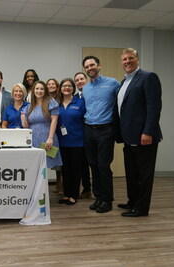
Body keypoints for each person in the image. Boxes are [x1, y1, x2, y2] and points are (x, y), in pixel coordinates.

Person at [115, 48, 162, 217]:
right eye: (124, 59)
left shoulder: (148, 77)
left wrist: (148, 131)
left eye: (131, 58)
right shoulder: (124, 82)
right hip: (129, 137)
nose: (127, 61)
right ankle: (132, 201)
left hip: (144, 137)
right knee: (132, 173)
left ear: (137, 60)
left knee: (143, 175)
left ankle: (141, 208)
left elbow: (153, 107)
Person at [82, 56, 120, 213]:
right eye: (87, 66)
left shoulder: (113, 83)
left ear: (99, 65)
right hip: (89, 129)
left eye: (92, 65)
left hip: (105, 129)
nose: (90, 68)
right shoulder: (85, 88)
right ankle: (98, 197)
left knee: (104, 165)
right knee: (93, 165)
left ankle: (107, 200)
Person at [57, 78, 86, 206]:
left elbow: (86, 120)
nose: (67, 88)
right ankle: (67, 194)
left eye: (69, 86)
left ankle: (74, 195)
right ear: (60, 89)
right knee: (65, 170)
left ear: (73, 88)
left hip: (77, 142)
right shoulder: (56, 103)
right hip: (62, 142)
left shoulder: (80, 102)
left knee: (75, 169)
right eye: (64, 86)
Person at [21, 81, 62, 169]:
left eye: (42, 89)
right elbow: (26, 126)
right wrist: (23, 120)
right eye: (37, 89)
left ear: (45, 91)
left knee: (47, 166)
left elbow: (54, 121)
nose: (39, 91)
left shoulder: (51, 102)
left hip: (47, 139)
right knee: (35, 167)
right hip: (33, 140)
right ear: (33, 91)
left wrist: (50, 138)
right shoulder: (29, 106)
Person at [74, 72, 92, 199]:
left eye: (81, 79)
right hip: (78, 134)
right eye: (77, 80)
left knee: (95, 163)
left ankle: (99, 191)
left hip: (92, 131)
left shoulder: (92, 93)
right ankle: (86, 189)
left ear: (86, 80)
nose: (79, 81)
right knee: (82, 163)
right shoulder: (74, 97)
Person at [46, 78, 63, 194]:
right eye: (49, 84)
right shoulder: (46, 100)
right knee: (55, 159)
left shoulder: (61, 98)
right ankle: (58, 183)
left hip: (62, 131)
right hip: (51, 131)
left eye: (53, 84)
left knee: (61, 159)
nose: (51, 86)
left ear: (57, 86)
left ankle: (63, 184)